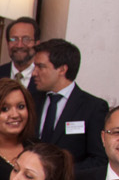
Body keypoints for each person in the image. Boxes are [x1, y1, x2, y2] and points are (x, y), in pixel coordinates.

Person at [32, 38, 109, 169]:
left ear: (62, 69)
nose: (34, 73)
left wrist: (62, 175)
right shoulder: (32, 100)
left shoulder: (93, 107)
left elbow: (99, 159)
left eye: (41, 67)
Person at [0, 16, 40, 90]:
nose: (19, 45)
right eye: (14, 39)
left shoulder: (45, 79)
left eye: (26, 39)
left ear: (37, 43)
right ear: (7, 43)